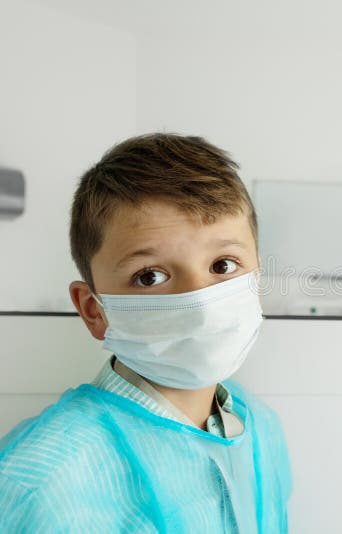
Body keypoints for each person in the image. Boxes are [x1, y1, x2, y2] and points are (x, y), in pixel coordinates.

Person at [0, 133, 292, 532]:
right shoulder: (43, 476)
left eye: (223, 265)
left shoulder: (258, 429)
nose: (200, 303)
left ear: (258, 273)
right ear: (93, 309)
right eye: (150, 276)